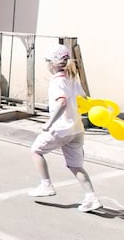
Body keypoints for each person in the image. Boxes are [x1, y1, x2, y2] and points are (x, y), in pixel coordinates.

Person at [29, 43, 102, 212]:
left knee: (36, 151)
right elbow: (83, 100)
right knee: (75, 165)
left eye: (47, 61)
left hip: (60, 128)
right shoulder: (72, 80)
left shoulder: (57, 82)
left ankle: (46, 185)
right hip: (76, 129)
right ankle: (91, 197)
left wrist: (49, 122)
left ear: (52, 64)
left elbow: (62, 102)